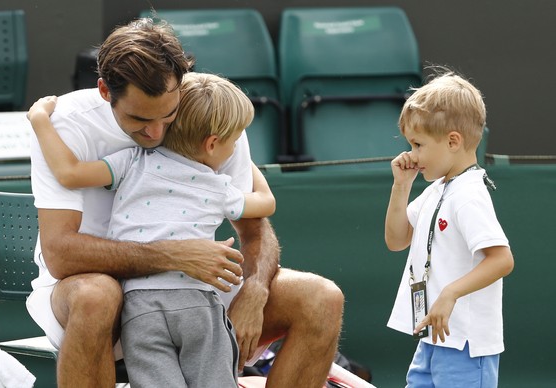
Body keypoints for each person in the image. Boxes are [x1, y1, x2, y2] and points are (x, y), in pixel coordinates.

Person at [26, 17, 344, 388]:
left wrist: (254, 294)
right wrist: (175, 256)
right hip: (94, 289)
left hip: (195, 288)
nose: (156, 133)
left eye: (168, 115)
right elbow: (61, 254)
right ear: (103, 90)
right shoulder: (66, 122)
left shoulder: (212, 115)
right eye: (139, 118)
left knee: (321, 298)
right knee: (97, 295)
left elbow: (257, 230)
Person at [28, 72, 276, 387]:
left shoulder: (132, 161)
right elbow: (265, 203)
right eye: (235, 138)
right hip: (198, 307)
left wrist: (39, 121)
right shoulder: (219, 187)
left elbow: (69, 172)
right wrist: (250, 170)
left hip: (140, 309)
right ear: (212, 143)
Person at [384, 71, 514, 387]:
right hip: (432, 338)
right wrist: (401, 186)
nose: (411, 154)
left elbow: (501, 260)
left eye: (418, 144)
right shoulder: (437, 189)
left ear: (453, 141)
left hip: (466, 344)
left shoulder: (468, 195)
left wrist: (450, 293)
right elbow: (396, 240)